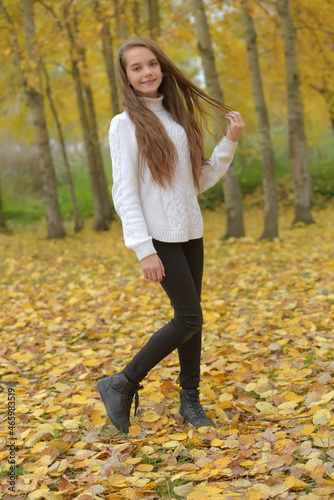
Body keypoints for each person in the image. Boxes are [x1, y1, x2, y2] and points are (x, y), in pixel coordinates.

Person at [97, 37, 245, 434]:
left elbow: (194, 182)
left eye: (151, 65)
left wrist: (227, 144)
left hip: (190, 231)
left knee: (192, 321)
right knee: (189, 317)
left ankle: (190, 403)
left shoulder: (178, 119)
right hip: (158, 236)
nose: (146, 73)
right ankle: (121, 383)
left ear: (161, 67)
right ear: (126, 77)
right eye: (136, 68)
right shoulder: (123, 125)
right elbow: (124, 192)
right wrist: (143, 249)